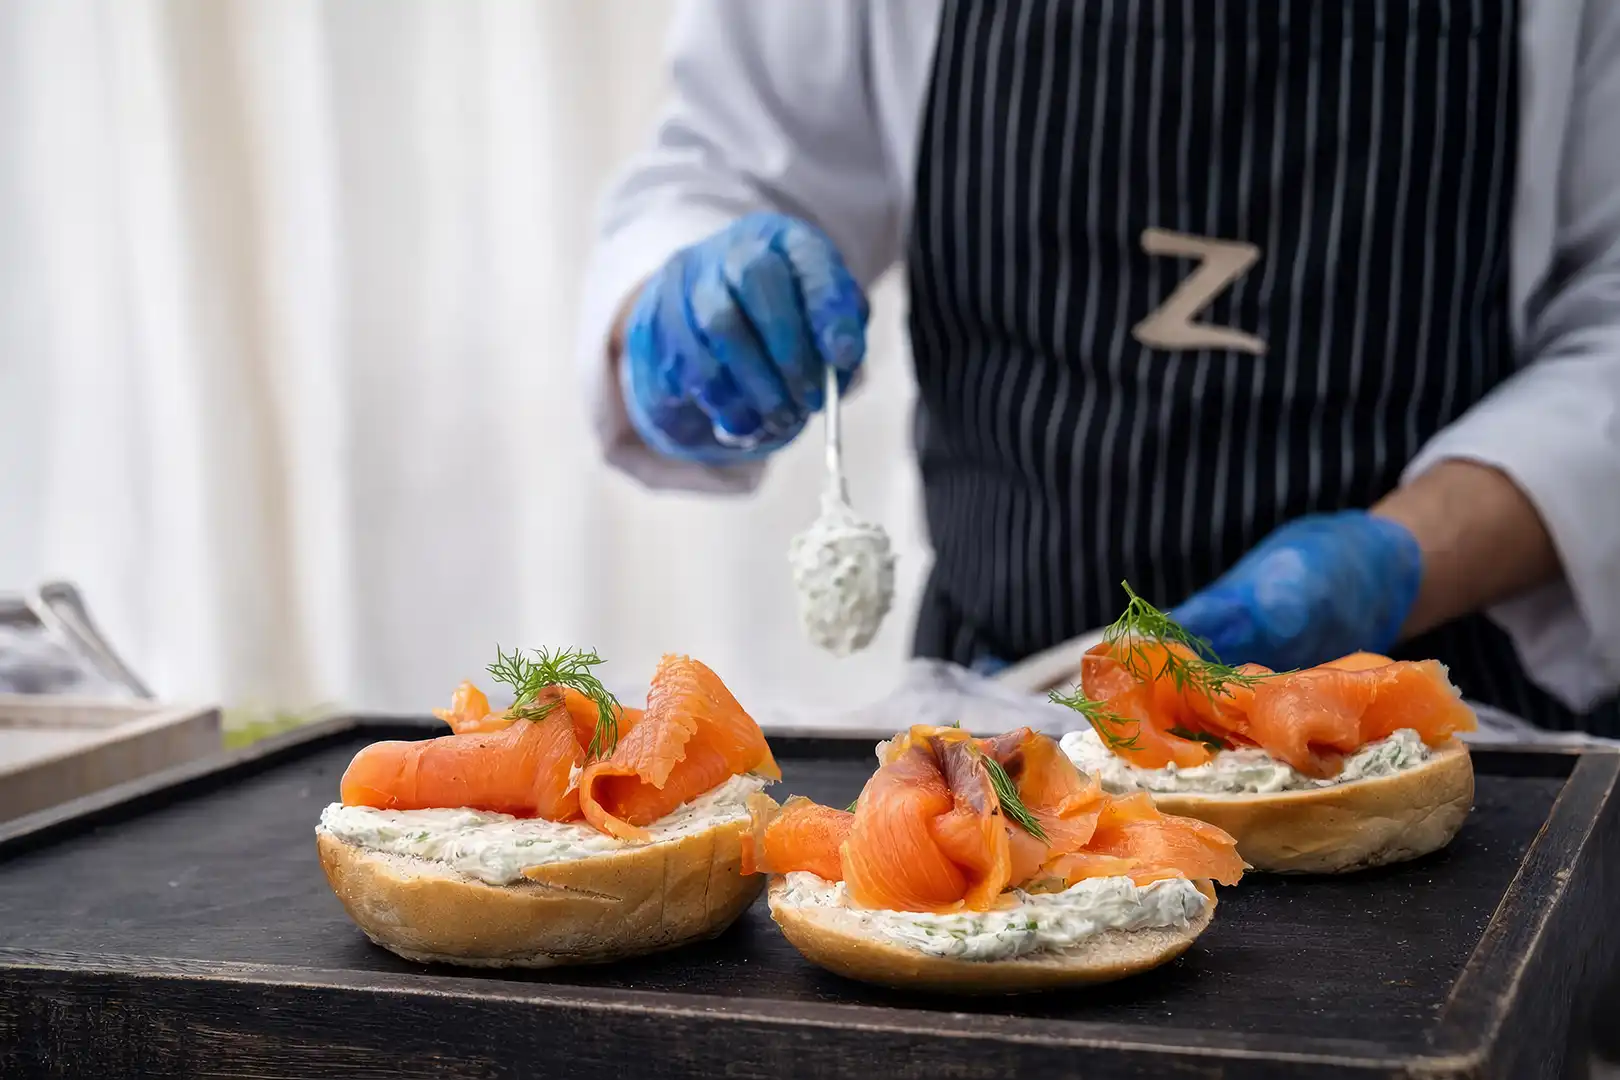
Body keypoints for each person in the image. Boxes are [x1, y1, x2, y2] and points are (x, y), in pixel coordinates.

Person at [576, 0, 1620, 735]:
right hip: (1004, 732)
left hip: (1442, 724)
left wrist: (1396, 562)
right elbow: (724, 164)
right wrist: (679, 320)